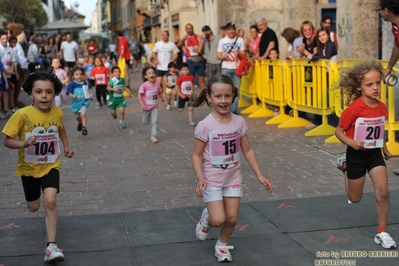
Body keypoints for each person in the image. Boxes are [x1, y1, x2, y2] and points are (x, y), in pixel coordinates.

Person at [191, 74, 273, 262]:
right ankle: (207, 218)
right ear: (209, 98)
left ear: (233, 96)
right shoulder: (205, 125)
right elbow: (196, 155)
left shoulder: (239, 122)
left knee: (232, 218)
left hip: (233, 179)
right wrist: (200, 176)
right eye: (218, 96)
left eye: (227, 96)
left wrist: (259, 175)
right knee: (218, 219)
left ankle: (222, 245)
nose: (223, 100)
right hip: (212, 180)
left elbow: (247, 149)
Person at [2, 70, 74, 263]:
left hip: (51, 164)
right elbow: (7, 141)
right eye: (39, 92)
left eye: (49, 92)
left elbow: (60, 127)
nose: (44, 96)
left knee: (50, 201)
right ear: (30, 94)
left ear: (55, 93)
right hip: (29, 168)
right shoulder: (22, 115)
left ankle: (51, 246)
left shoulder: (57, 112)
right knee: (34, 206)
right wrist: (24, 143)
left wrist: (66, 145)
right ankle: (34, 203)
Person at [334, 61, 396, 249]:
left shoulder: (382, 107)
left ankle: (382, 232)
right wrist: (352, 143)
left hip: (374, 154)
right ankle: (345, 166)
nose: (375, 87)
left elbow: (379, 129)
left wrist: (384, 148)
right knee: (355, 198)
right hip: (356, 155)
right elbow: (339, 131)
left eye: (377, 83)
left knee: (383, 192)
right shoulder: (353, 109)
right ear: (359, 87)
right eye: (369, 84)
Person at [377, 0, 399, 175]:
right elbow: (397, 47)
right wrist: (389, 68)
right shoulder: (395, 26)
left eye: (378, 9)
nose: (377, 12)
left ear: (386, 10)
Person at [304, 27, 338, 130]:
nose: (321, 38)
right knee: (321, 97)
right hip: (323, 74)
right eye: (319, 36)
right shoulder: (320, 47)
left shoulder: (331, 45)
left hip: (332, 75)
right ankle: (318, 120)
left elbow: (327, 57)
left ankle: (333, 123)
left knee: (329, 98)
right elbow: (317, 56)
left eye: (323, 35)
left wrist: (313, 58)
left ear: (328, 35)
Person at [217, 22, 246, 114]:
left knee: (236, 90)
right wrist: (223, 56)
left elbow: (243, 55)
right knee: (225, 90)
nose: (231, 31)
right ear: (226, 31)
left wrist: (239, 55)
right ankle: (225, 108)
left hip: (237, 68)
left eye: (233, 29)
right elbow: (218, 56)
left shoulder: (240, 40)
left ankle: (233, 111)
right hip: (226, 67)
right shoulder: (222, 41)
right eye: (229, 29)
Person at [138, 66, 166, 143]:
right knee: (145, 122)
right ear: (145, 76)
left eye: (153, 73)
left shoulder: (157, 84)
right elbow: (139, 95)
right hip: (146, 107)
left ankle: (153, 136)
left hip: (155, 107)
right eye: (149, 73)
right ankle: (144, 116)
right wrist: (142, 104)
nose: (152, 74)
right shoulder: (144, 85)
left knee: (155, 121)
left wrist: (164, 100)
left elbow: (160, 93)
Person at [66, 66, 92, 136]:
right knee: (78, 117)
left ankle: (84, 128)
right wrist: (72, 96)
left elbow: (87, 91)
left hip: (84, 102)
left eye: (80, 74)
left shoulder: (84, 83)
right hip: (76, 103)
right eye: (77, 74)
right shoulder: (72, 84)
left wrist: (90, 96)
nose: (79, 76)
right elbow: (68, 92)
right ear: (73, 76)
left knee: (83, 114)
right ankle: (80, 123)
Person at [182, 23, 206, 90]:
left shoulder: (198, 36)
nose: (189, 30)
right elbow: (179, 45)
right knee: (191, 78)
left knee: (202, 78)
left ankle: (204, 95)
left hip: (199, 59)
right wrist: (181, 41)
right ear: (186, 30)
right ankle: (192, 95)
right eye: (188, 29)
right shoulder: (185, 38)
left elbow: (202, 46)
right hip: (190, 60)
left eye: (190, 28)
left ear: (193, 29)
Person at [0, 30, 16, 118]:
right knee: (1, 93)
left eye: (6, 38)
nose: (5, 40)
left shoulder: (10, 49)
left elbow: (13, 62)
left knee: (7, 92)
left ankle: (6, 110)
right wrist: (5, 71)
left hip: (9, 73)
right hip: (1, 74)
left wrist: (12, 70)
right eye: (3, 38)